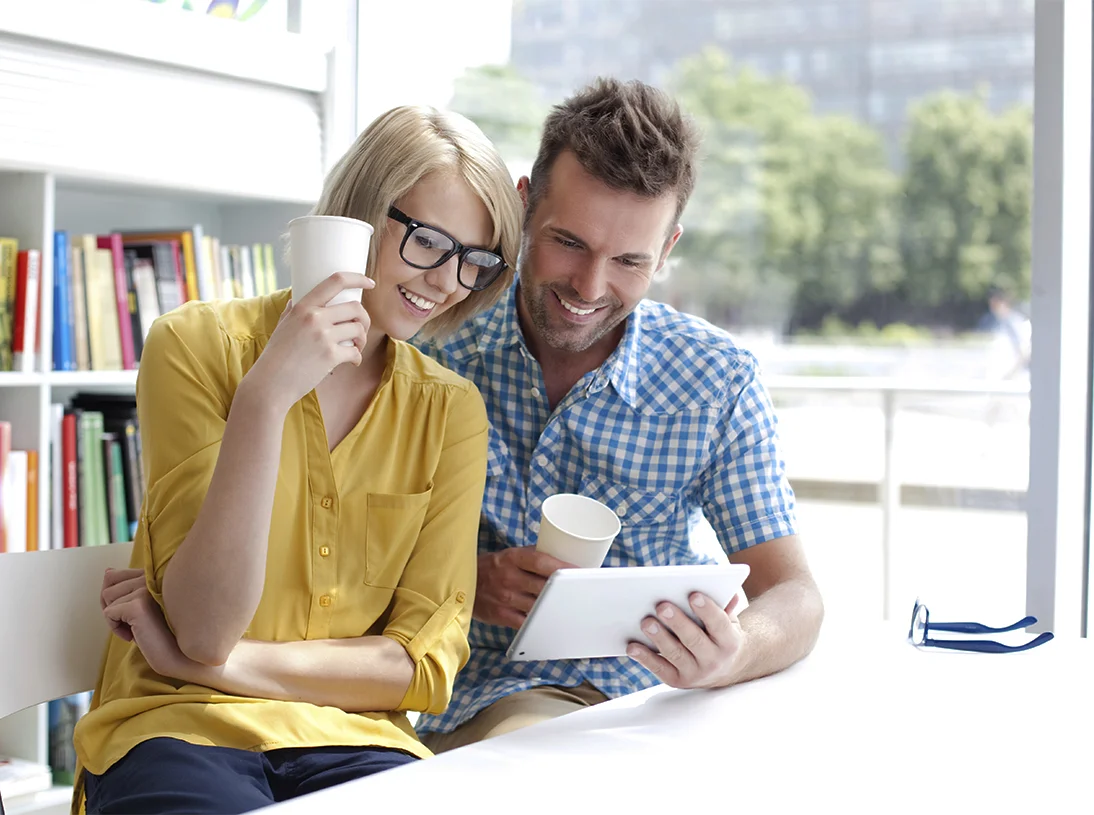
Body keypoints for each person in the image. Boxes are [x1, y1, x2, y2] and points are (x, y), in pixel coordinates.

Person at [71, 104, 523, 814]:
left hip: (358, 741)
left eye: (475, 260)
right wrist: (266, 396)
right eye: (430, 242)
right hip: (177, 727)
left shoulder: (450, 411)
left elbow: (420, 667)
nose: (446, 282)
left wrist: (212, 663)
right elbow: (205, 626)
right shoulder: (193, 346)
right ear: (361, 213)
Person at [412, 77, 825, 753]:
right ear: (523, 206)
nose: (590, 286)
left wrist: (734, 649)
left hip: (655, 708)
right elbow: (340, 557)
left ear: (667, 250)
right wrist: (461, 584)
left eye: (631, 260)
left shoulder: (715, 379)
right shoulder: (434, 344)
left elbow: (796, 596)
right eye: (569, 242)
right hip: (474, 699)